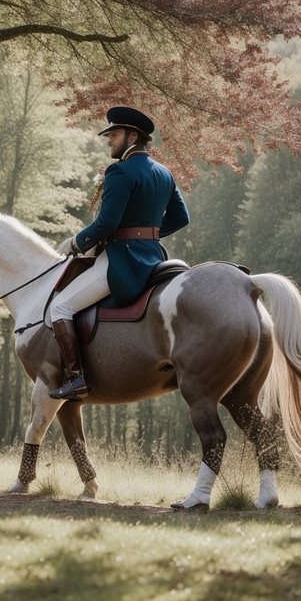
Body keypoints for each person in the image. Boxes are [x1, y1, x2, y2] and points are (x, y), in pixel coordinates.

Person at [48, 106, 190, 400]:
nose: (109, 140)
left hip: (122, 263)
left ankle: (75, 379)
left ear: (132, 136)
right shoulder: (164, 173)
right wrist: (147, 237)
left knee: (59, 308)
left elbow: (107, 223)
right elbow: (180, 218)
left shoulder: (119, 171)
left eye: (113, 134)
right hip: (153, 259)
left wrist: (76, 242)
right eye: (108, 135)